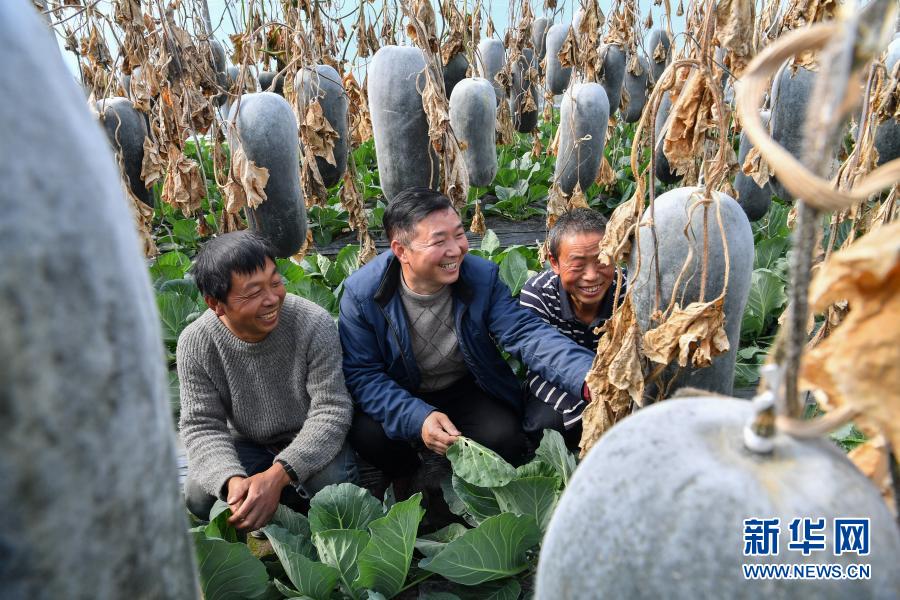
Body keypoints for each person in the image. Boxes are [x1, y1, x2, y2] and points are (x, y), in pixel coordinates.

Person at [339, 187, 595, 486]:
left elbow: (526, 334)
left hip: (462, 386)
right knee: (369, 436)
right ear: (401, 250)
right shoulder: (363, 295)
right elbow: (364, 375)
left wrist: (588, 377)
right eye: (439, 241)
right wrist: (418, 418)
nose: (456, 250)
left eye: (459, 234)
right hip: (400, 388)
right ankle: (411, 475)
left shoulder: (481, 277)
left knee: (505, 438)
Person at [179, 231, 356, 531]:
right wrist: (232, 481)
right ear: (215, 304)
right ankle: (271, 504)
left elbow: (332, 409)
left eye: (275, 282)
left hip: (307, 433)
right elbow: (201, 425)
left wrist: (277, 476)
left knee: (334, 488)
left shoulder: (312, 323)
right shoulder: (196, 342)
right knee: (199, 496)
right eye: (252, 293)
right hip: (247, 441)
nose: (272, 299)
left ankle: (286, 498)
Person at [519, 208, 621, 451]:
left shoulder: (628, 291)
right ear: (554, 262)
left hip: (617, 385)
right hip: (558, 384)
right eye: (577, 265)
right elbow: (540, 365)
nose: (591, 276)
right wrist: (590, 412)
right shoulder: (538, 294)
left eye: (602, 260)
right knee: (544, 427)